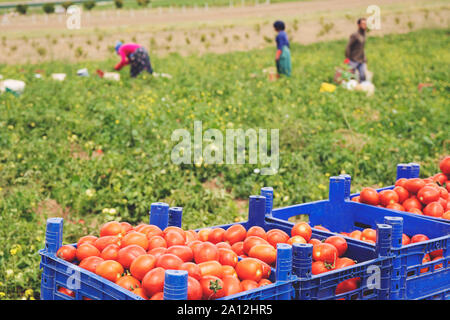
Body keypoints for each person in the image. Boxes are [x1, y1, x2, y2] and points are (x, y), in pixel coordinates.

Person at [345, 18, 367, 83]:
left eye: (365, 24)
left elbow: (362, 48)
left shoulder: (364, 35)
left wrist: (364, 57)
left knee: (363, 76)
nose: (365, 25)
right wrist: (347, 58)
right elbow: (348, 47)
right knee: (351, 77)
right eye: (363, 24)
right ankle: (350, 90)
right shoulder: (355, 35)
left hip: (361, 60)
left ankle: (361, 90)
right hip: (353, 60)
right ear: (358, 25)